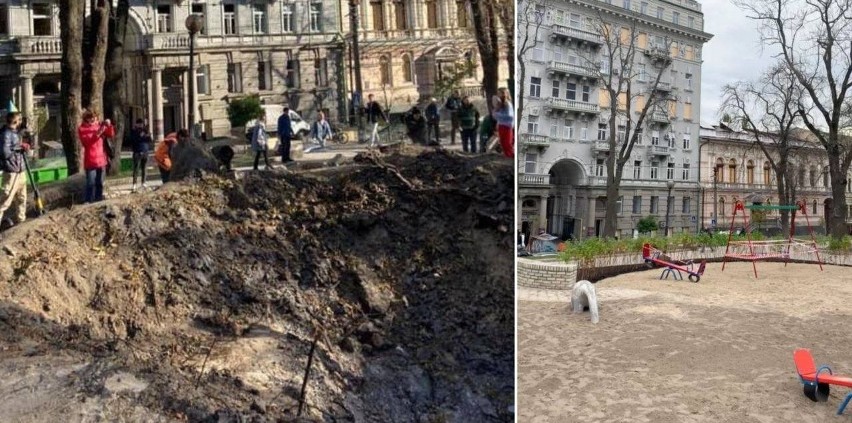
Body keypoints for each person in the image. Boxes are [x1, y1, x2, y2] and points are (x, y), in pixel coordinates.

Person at [0, 112, 30, 228]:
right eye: (20, 120)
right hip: (12, 172)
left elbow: (15, 144)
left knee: (22, 198)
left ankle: (21, 223)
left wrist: (22, 144)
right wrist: (19, 147)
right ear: (15, 121)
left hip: (20, 170)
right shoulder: (6, 134)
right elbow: (4, 152)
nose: (21, 122)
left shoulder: (14, 133)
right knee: (5, 201)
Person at [78, 110, 110, 203]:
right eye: (90, 117)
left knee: (100, 182)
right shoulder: (82, 129)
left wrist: (108, 125)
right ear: (86, 119)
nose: (93, 119)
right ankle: (88, 199)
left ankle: (98, 198)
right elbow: (87, 142)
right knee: (90, 182)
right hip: (91, 159)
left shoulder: (99, 126)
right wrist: (99, 132)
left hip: (101, 159)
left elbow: (110, 133)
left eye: (94, 117)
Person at [129, 118, 152, 191]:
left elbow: (149, 140)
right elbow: (134, 140)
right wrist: (141, 136)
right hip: (137, 152)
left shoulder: (145, 130)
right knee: (136, 169)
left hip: (145, 151)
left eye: (141, 124)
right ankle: (134, 184)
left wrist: (147, 135)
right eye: (139, 124)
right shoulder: (133, 131)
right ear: (136, 124)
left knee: (144, 168)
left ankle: (143, 182)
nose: (140, 125)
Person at [493, 87, 515, 158]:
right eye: (498, 93)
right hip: (501, 126)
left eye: (501, 93)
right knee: (502, 144)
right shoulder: (500, 104)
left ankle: (511, 157)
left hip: (507, 126)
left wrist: (497, 114)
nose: (499, 95)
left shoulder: (508, 104)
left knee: (507, 144)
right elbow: (495, 115)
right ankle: (507, 157)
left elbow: (510, 116)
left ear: (505, 94)